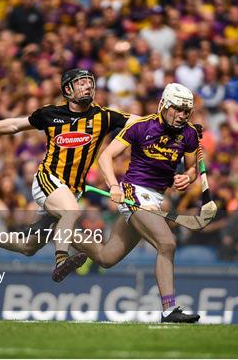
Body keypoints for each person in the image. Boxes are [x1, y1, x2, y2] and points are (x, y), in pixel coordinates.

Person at [0, 68, 136, 282]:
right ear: (67, 90)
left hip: (70, 191)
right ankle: (60, 260)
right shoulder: (50, 114)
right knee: (71, 212)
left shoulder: (104, 117)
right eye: (81, 83)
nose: (88, 86)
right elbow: (13, 125)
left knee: (28, 247)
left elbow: (144, 123)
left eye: (90, 82)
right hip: (47, 180)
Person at [77, 83, 204, 323]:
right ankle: (169, 310)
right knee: (167, 243)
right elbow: (105, 156)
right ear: (164, 105)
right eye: (176, 109)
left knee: (106, 257)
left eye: (186, 111)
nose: (181, 115)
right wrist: (114, 185)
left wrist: (187, 177)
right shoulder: (140, 126)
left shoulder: (188, 134)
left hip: (156, 198)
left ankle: (63, 233)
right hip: (133, 192)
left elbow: (191, 169)